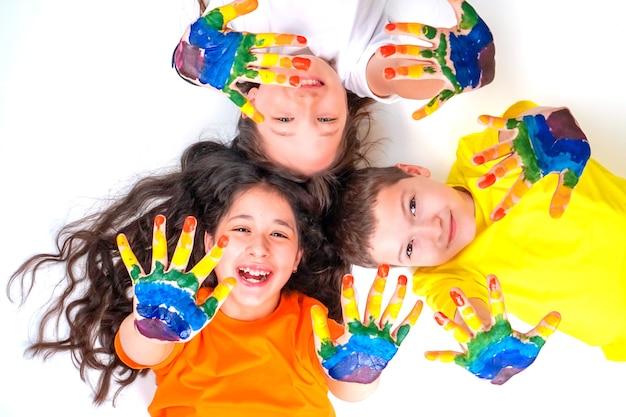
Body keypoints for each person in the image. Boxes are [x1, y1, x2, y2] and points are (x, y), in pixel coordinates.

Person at [6, 140, 421, 414]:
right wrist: (153, 326)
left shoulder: (309, 319)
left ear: (297, 257)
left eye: (279, 234)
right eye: (241, 229)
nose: (259, 245)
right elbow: (139, 351)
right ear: (209, 244)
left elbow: (347, 391)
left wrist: (362, 372)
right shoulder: (183, 313)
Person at [329, 100, 626, 373]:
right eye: (409, 248)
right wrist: (486, 340)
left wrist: (548, 132)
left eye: (413, 206)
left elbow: (531, 127)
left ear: (413, 172)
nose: (434, 230)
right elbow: (469, 317)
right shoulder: (441, 277)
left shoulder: (481, 160)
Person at [174, 0, 495, 178]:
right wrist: (454, 72)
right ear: (344, 108)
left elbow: (193, 54)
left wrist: (192, 61)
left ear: (252, 100)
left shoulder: (233, 44)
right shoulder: (353, 64)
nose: (308, 104)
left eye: (285, 121)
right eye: (326, 121)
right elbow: (397, 75)